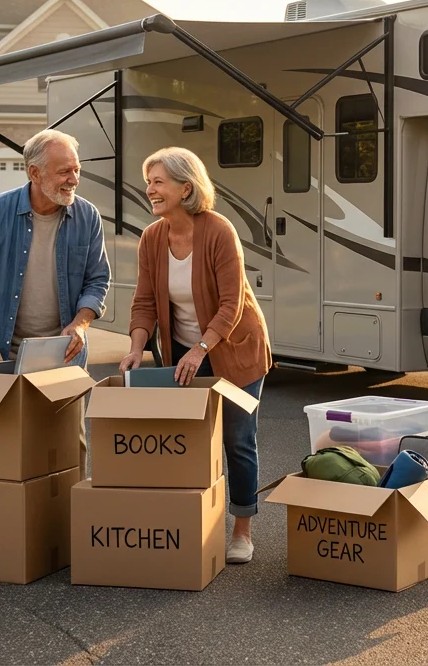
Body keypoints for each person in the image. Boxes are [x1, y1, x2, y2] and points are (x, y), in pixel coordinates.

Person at [118, 147, 272, 564]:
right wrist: (135, 347)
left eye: (158, 182)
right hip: (186, 351)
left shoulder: (219, 231)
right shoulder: (152, 238)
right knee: (186, 440)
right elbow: (144, 301)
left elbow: (231, 304)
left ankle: (242, 530)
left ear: (186, 188)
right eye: (148, 181)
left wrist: (201, 348)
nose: (149, 189)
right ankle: (192, 522)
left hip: (234, 349)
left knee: (237, 439)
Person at [0, 130, 110, 368]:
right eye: (64, 172)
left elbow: (98, 280)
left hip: (65, 355)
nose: (74, 179)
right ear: (35, 173)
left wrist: (80, 325)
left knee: (63, 407)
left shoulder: (88, 216)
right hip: (0, 355)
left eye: (77, 170)